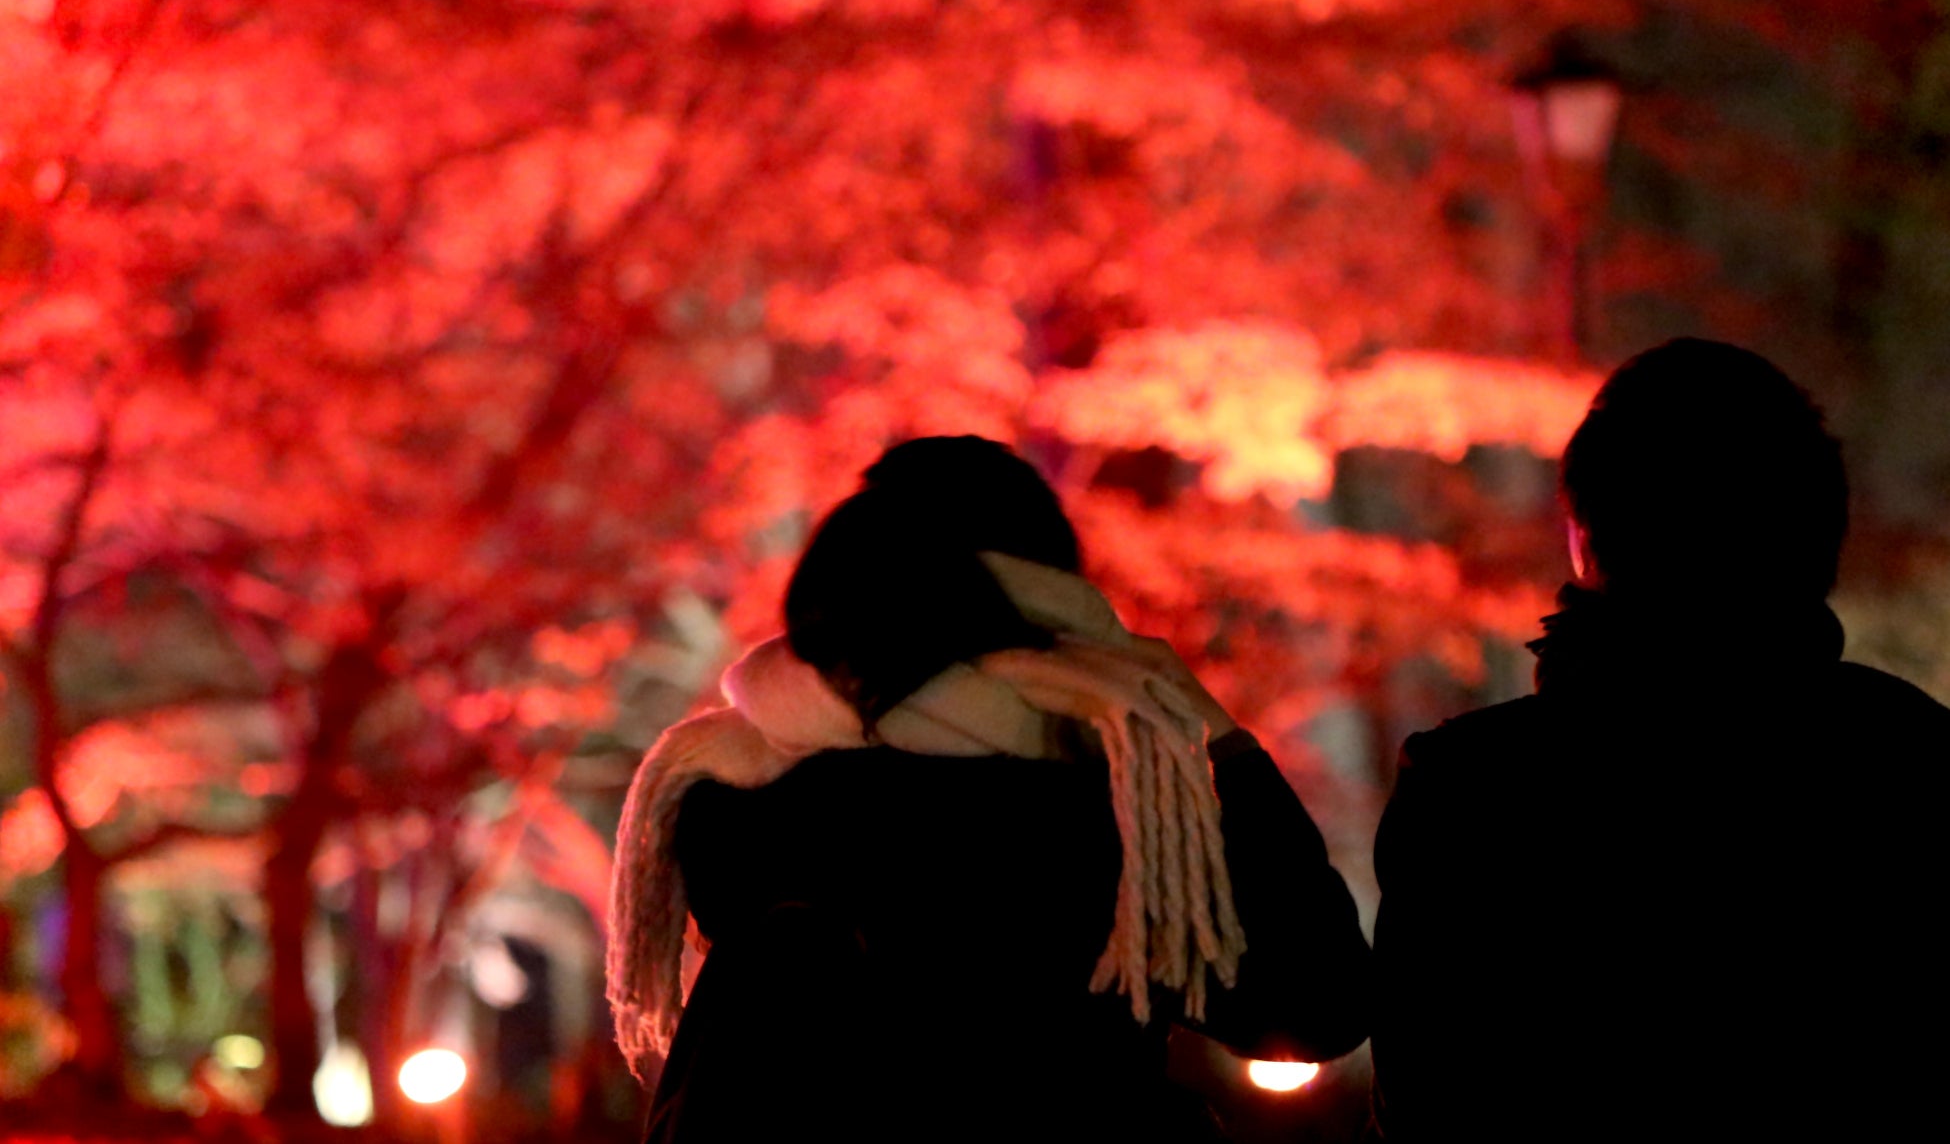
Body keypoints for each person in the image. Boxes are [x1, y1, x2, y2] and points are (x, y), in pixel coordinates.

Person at [608, 436, 1370, 1143]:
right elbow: (1316, 1005)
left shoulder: (735, 802)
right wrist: (1221, 743)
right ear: (1057, 613)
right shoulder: (1093, 825)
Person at [1369, 339, 1949, 1141]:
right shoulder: (1915, 760)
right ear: (1821, 541)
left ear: (1584, 536)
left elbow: (1431, 1100)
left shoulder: (1476, 783)